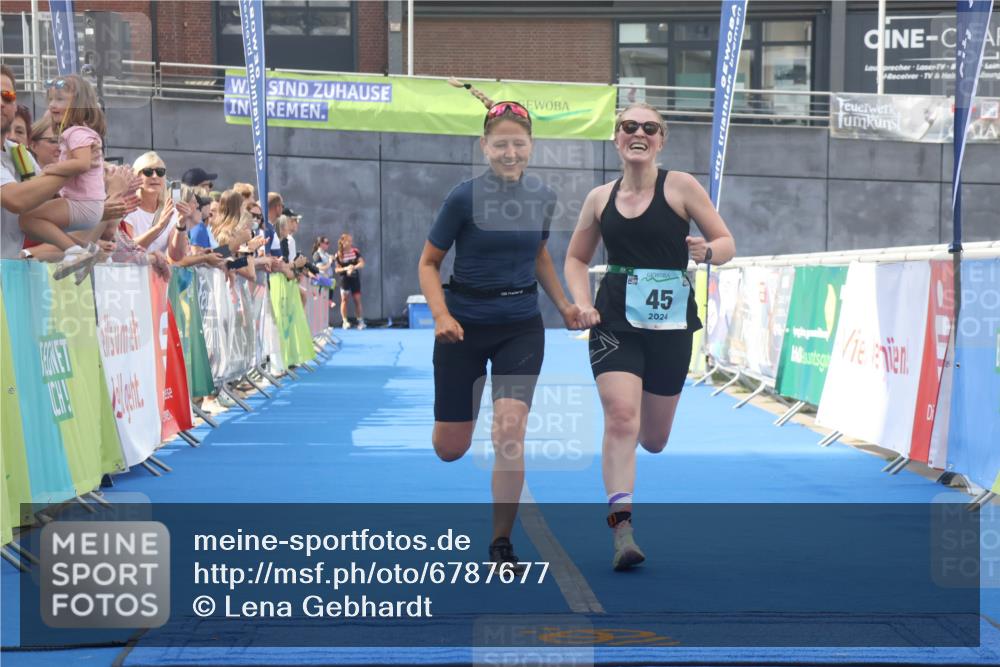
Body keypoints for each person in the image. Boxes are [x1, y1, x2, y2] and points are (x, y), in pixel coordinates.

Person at [563, 102, 735, 571]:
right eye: (628, 126)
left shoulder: (680, 186)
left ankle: (632, 460)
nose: (638, 133)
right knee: (621, 417)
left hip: (670, 324)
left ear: (661, 139)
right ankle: (622, 529)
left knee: (654, 438)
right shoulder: (599, 198)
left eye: (649, 128)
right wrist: (581, 302)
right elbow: (576, 259)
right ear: (616, 137)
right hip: (614, 320)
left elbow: (727, 244)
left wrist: (707, 250)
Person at [417, 83, 580, 571]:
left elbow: (537, 255)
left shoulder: (544, 196)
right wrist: (442, 315)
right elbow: (428, 263)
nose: (510, 151)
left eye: (519, 143)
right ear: (485, 148)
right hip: (462, 327)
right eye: (501, 143)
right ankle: (454, 424)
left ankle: (501, 542)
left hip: (520, 327)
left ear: (531, 146)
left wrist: (566, 306)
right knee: (451, 447)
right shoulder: (463, 199)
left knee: (509, 429)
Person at [18, 74, 108, 277]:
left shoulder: (75, 133)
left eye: (59, 99)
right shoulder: (79, 133)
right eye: (50, 99)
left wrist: (52, 169)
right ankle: (82, 250)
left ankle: (75, 252)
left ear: (77, 104)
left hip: (83, 203)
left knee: (27, 219)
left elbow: (83, 163)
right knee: (33, 226)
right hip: (88, 205)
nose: (52, 105)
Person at [1, 65, 92, 260]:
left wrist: (102, 201)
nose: (1, 102)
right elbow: (16, 200)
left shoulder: (19, 154)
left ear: (15, 105)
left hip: (7, 274)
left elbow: (38, 217)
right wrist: (78, 164)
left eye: (7, 96)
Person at [125, 151, 196, 260]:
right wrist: (159, 226)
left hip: (158, 275)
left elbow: (176, 256)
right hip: (131, 275)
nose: (155, 176)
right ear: (136, 176)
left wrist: (181, 226)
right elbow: (127, 251)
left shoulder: (170, 210)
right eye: (148, 172)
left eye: (160, 172)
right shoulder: (128, 208)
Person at [334, 232, 365, 329]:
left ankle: (360, 321)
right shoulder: (338, 255)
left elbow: (362, 263)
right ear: (343, 242)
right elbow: (337, 269)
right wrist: (346, 269)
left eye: (351, 241)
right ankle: (345, 322)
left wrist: (353, 267)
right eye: (348, 241)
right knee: (344, 300)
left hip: (355, 279)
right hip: (344, 280)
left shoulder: (355, 251)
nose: (350, 243)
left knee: (357, 300)